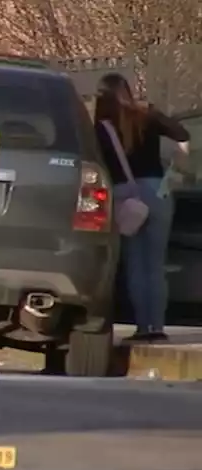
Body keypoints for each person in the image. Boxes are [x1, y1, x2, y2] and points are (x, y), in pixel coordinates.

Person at [94, 72, 191, 343]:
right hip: (157, 189)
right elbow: (182, 134)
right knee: (156, 264)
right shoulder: (146, 115)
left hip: (125, 193)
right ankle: (158, 327)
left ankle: (143, 327)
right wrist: (178, 165)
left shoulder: (101, 125)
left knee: (135, 262)